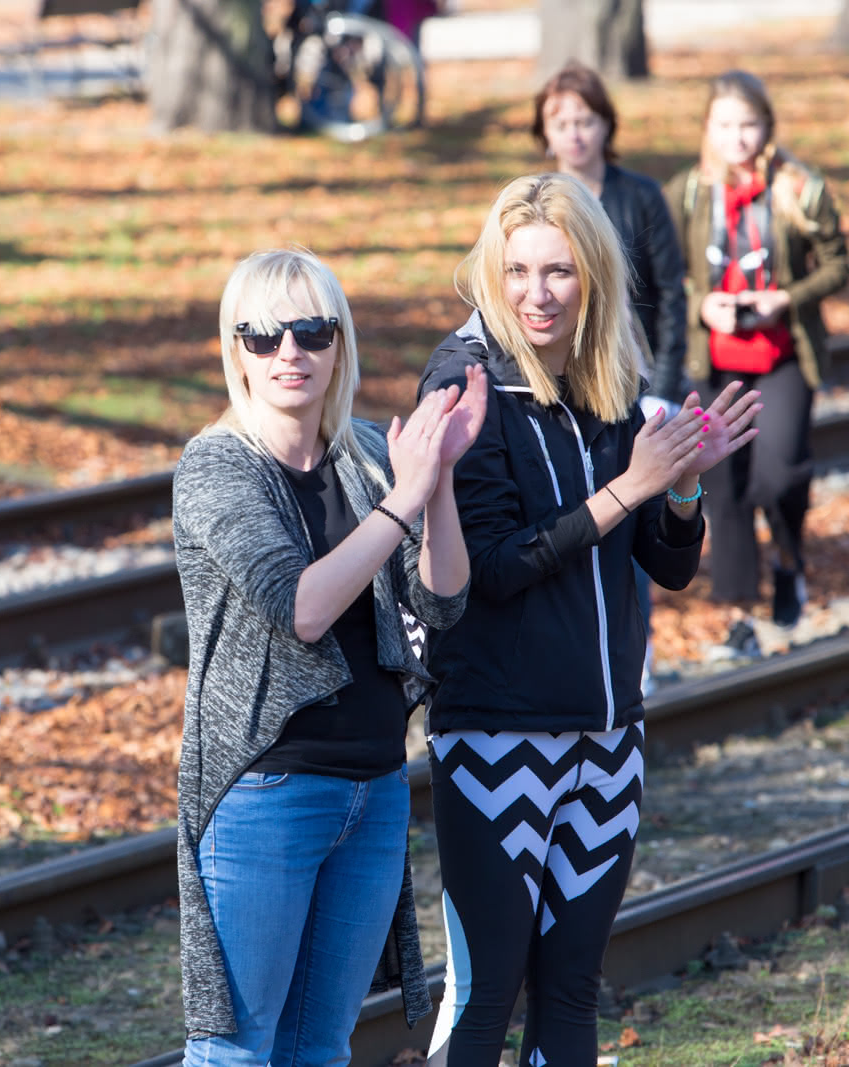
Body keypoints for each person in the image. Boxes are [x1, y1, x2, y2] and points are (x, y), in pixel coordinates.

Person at [416, 174, 761, 1066]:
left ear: (594, 275)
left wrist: (681, 483)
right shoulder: (466, 381)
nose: (537, 293)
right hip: (498, 737)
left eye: (559, 271)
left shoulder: (607, 375)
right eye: (518, 271)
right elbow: (491, 569)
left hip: (609, 738)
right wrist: (629, 487)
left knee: (571, 991)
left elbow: (668, 565)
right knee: (487, 994)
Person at [172, 248, 481, 1065]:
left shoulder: (369, 455)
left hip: (373, 787)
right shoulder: (216, 467)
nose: (290, 352)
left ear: (339, 344)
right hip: (266, 787)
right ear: (236, 350)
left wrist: (441, 481)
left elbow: (443, 601)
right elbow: (301, 607)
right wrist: (404, 498)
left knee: (320, 1047)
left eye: (312, 331)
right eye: (264, 335)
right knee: (237, 1049)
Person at [663, 70, 849, 628]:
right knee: (722, 485)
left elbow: (839, 265)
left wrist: (786, 298)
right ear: (707, 128)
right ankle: (738, 607)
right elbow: (661, 275)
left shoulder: (798, 186)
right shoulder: (687, 192)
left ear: (767, 126)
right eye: (724, 125)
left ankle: (790, 559)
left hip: (782, 355)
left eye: (748, 125)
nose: (737, 137)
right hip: (714, 358)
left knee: (780, 472)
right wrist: (702, 305)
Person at [532, 61, 689, 677]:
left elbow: (672, 295)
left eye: (586, 120)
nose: (574, 133)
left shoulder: (639, 196)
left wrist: (665, 390)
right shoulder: (532, 204)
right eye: (561, 122)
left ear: (606, 125)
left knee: (634, 507)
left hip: (629, 385)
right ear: (544, 132)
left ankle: (632, 652)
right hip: (555, 388)